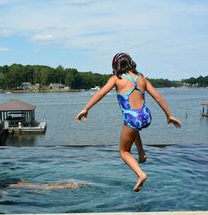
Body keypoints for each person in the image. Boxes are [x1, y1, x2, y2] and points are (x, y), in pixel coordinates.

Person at [77, 53, 182, 192]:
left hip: (132, 118)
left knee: (124, 151)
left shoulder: (116, 79)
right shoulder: (142, 79)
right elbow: (158, 97)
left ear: (116, 66)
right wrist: (169, 115)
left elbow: (100, 93)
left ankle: (140, 174)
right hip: (145, 116)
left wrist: (86, 108)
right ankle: (141, 153)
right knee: (134, 129)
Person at [0, 170, 83, 191]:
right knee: (41, 185)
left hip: (7, 184)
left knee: (42, 188)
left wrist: (1, 192)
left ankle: (71, 185)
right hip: (11, 179)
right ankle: (67, 183)